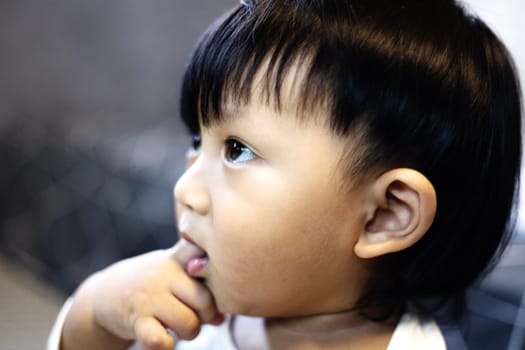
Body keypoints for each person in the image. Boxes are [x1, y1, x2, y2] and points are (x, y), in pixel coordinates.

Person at [48, 0, 522, 349]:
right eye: (198, 141)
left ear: (385, 214)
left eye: (237, 150)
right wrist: (95, 314)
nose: (185, 189)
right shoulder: (182, 310)